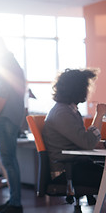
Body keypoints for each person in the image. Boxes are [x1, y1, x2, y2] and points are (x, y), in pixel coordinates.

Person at [42, 69, 105, 199]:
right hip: (67, 172)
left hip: (76, 165)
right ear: (77, 89)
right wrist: (99, 114)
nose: (88, 91)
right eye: (85, 86)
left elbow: (85, 141)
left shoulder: (69, 110)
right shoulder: (62, 113)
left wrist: (93, 143)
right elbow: (87, 142)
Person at [0, 38, 25, 213]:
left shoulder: (3, 62)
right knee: (11, 160)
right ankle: (14, 200)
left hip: (4, 118)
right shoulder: (13, 63)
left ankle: (15, 203)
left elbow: (3, 90)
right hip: (13, 116)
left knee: (8, 161)